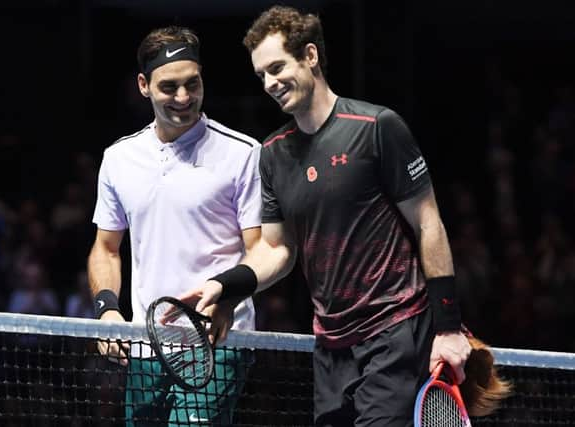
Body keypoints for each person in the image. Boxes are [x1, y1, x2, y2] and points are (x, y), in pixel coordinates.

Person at [178, 6, 471, 427]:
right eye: (261, 75)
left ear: (310, 56)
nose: (270, 83)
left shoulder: (375, 127)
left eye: (277, 67)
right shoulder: (273, 154)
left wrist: (448, 327)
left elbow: (429, 223)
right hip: (331, 347)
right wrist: (224, 286)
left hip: (394, 331)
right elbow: (277, 250)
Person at [87, 25, 262, 426]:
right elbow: (106, 248)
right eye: (169, 87)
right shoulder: (119, 159)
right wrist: (106, 310)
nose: (184, 98)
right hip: (146, 347)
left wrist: (230, 297)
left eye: (193, 84)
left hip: (218, 344)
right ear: (144, 85)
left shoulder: (243, 154)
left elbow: (262, 249)